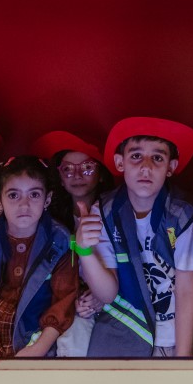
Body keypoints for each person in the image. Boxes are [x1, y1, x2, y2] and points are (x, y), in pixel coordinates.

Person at [76, 116, 193, 357]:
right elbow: (107, 293)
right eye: (136, 156)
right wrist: (84, 251)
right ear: (120, 163)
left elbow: (186, 290)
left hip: (189, 329)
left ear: (171, 167)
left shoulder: (183, 213)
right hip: (131, 325)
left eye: (157, 158)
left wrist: (183, 360)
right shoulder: (105, 211)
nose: (146, 167)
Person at [0, 155, 78, 358]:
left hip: (41, 341)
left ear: (47, 199)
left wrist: (38, 349)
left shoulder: (60, 241)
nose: (24, 205)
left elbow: (63, 303)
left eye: (34, 195)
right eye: (13, 195)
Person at [31, 130, 114, 357]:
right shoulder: (50, 218)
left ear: (101, 173)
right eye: (68, 169)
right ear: (59, 176)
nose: (77, 175)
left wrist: (98, 296)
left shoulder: (113, 213)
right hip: (62, 298)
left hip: (108, 299)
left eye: (87, 168)